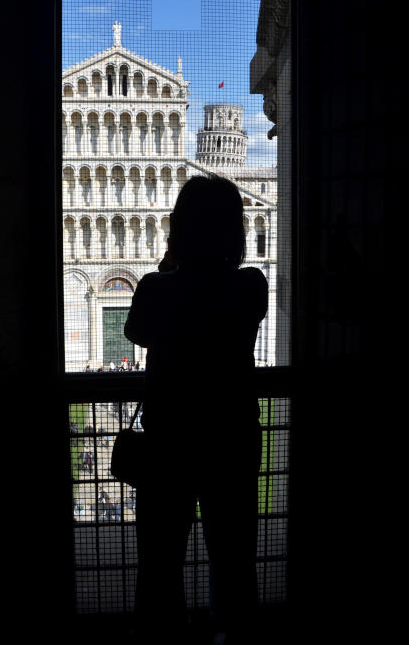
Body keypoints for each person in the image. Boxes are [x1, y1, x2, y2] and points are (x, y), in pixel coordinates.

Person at [124, 175, 267, 644]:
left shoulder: (156, 289)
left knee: (161, 561)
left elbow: (136, 332)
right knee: (233, 556)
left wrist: (172, 260)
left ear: (178, 230)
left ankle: (166, 643)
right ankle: (233, 637)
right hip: (232, 440)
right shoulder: (250, 285)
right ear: (236, 232)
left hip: (170, 444)